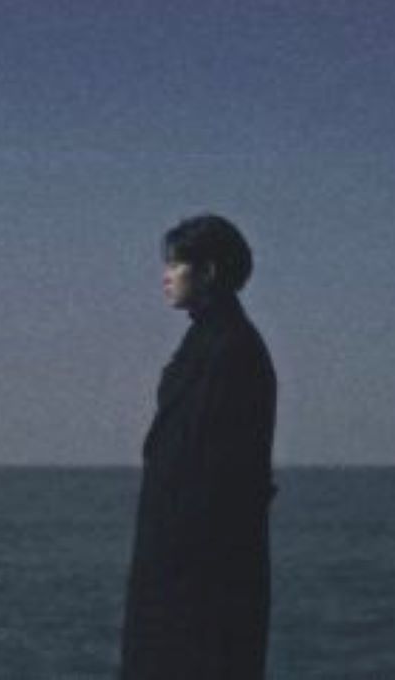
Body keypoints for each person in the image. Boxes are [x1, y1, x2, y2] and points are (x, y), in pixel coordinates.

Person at [120, 214, 278, 680]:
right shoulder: (213, 339)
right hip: (184, 558)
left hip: (202, 567)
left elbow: (226, 472)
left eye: (176, 264)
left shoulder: (231, 347)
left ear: (208, 271)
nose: (165, 275)